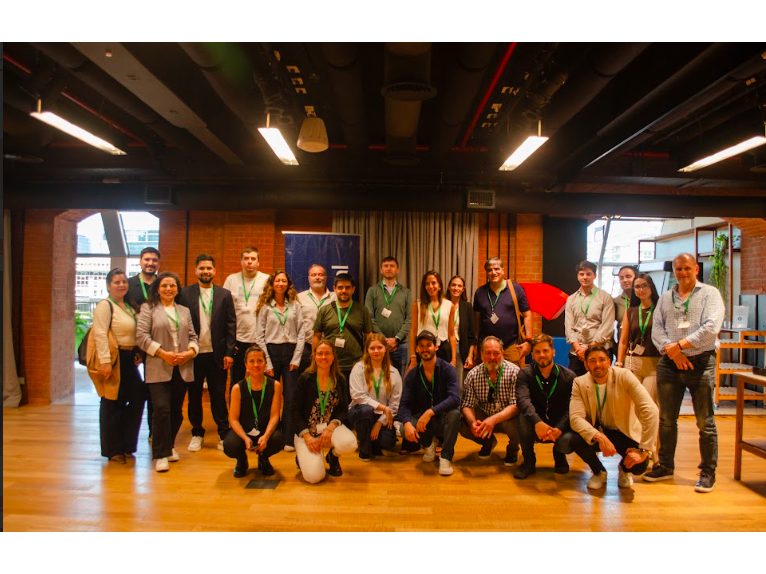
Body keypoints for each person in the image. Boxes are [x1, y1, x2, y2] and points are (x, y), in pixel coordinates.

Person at [645, 253, 725, 493]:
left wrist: (679, 346)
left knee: (705, 422)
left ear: (696, 269)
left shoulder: (710, 294)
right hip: (669, 364)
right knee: (666, 420)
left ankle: (707, 472)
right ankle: (665, 466)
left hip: (701, 363)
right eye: (678, 269)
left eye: (687, 268)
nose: (682, 273)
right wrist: (673, 352)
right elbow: (657, 329)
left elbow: (711, 327)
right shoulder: (666, 297)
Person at [565, 345, 658, 491]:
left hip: (623, 431)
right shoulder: (579, 382)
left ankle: (624, 470)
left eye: (602, 359)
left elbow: (651, 411)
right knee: (571, 439)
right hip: (598, 431)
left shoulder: (625, 376)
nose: (598, 364)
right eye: (592, 361)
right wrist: (599, 436)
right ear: (586, 364)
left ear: (609, 361)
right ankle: (599, 472)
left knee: (639, 466)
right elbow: (576, 418)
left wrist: (645, 451)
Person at [136, 272, 199, 473]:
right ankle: (160, 454)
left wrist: (190, 353)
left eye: (172, 285)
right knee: (161, 408)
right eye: (164, 285)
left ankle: (169, 446)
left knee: (175, 412)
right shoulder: (148, 309)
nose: (169, 289)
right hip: (159, 366)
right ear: (157, 288)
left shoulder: (184, 311)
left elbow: (193, 336)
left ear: (177, 289)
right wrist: (163, 354)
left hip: (182, 367)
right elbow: (141, 337)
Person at [179, 254, 236, 453]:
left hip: (217, 354)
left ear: (214, 271)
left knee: (218, 395)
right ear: (196, 270)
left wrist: (229, 352)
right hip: (193, 353)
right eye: (202, 268)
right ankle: (197, 433)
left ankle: (223, 433)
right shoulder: (185, 294)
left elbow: (231, 325)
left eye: (209, 268)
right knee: (194, 395)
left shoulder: (224, 294)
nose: (205, 271)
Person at [91, 268, 145, 464]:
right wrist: (105, 361)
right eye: (116, 282)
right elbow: (100, 334)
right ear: (108, 286)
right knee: (112, 403)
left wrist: (137, 352)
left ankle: (127, 445)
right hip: (114, 359)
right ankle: (113, 450)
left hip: (129, 358)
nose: (121, 285)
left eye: (124, 281)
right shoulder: (105, 306)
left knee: (138, 397)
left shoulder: (128, 306)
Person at [293, 340, 358, 484]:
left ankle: (332, 457)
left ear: (333, 356)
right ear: (314, 356)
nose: (323, 357)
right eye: (320, 353)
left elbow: (343, 409)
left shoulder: (340, 379)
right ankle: (302, 457)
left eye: (327, 353)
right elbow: (295, 411)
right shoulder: (305, 378)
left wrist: (331, 427)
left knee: (350, 443)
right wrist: (308, 437)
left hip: (329, 429)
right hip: (307, 433)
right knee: (314, 477)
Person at [513, 333, 578, 479]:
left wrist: (560, 428)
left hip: (559, 424)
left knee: (570, 430)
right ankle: (529, 462)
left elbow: (572, 408)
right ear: (532, 355)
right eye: (537, 352)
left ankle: (559, 455)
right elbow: (523, 400)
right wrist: (537, 422)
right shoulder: (524, 374)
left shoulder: (569, 377)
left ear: (553, 352)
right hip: (535, 421)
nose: (542, 355)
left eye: (545, 351)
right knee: (523, 417)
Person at [398, 331, 461, 476]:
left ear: (436, 347)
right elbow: (404, 404)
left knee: (455, 414)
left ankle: (445, 457)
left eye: (429, 345)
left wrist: (431, 411)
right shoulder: (412, 374)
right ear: (417, 349)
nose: (425, 349)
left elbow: (455, 398)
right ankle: (429, 444)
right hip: (423, 422)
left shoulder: (448, 369)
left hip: (442, 419)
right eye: (421, 346)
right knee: (403, 428)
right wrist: (407, 423)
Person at [255, 270, 305, 451]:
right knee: (270, 397)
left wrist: (296, 359)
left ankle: (288, 437)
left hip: (291, 353)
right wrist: (267, 363)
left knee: (290, 397)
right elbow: (259, 336)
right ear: (272, 284)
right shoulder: (265, 307)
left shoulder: (295, 305)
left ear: (288, 284)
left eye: (284, 281)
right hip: (271, 352)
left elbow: (301, 333)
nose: (281, 284)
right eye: (277, 281)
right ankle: (269, 436)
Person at [223, 346, 285, 478]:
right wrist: (245, 438)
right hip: (244, 432)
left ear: (265, 363)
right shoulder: (237, 388)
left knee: (279, 439)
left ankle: (263, 458)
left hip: (264, 431)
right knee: (230, 445)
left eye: (260, 361)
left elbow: (275, 416)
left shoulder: (275, 385)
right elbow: (233, 419)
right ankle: (241, 460)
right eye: (252, 361)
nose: (256, 365)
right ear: (246, 365)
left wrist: (266, 436)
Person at [459, 336, 521, 466]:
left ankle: (513, 449)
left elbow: (516, 405)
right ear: (481, 354)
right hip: (485, 415)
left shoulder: (514, 372)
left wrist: (492, 420)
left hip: (506, 417)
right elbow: (466, 404)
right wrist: (472, 423)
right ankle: (488, 442)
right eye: (488, 353)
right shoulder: (473, 374)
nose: (492, 357)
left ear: (502, 352)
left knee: (522, 421)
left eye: (496, 353)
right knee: (462, 422)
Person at [348, 333, 403, 461]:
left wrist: (379, 423)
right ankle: (365, 449)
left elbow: (394, 405)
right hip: (360, 411)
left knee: (388, 442)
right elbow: (357, 396)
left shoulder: (394, 373)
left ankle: (369, 439)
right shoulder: (358, 368)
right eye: (372, 348)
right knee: (366, 410)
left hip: (381, 416)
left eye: (379, 347)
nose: (376, 351)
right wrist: (383, 407)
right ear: (367, 350)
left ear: (385, 349)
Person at [313, 273, 373, 387]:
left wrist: (367, 359)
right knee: (331, 395)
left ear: (353, 289)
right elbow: (316, 336)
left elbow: (369, 336)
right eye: (340, 287)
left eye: (347, 287)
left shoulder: (362, 310)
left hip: (355, 365)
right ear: (334, 289)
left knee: (354, 396)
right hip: (330, 364)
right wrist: (315, 360)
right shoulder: (324, 310)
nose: (344, 291)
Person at [223, 246, 270, 388]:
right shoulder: (231, 279)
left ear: (258, 262)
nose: (249, 262)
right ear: (241, 261)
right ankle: (236, 403)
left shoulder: (266, 279)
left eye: (253, 259)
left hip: (260, 338)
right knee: (236, 380)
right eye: (246, 258)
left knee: (260, 379)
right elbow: (224, 308)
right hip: (238, 338)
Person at [125, 246, 160, 439]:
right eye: (147, 259)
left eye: (154, 260)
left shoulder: (163, 284)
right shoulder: (129, 284)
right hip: (134, 343)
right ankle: (127, 432)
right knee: (133, 390)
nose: (150, 263)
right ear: (140, 261)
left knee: (154, 390)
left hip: (157, 344)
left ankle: (153, 431)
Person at [472, 257, 532, 367]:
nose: (493, 272)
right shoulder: (479, 293)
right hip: (487, 348)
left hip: (511, 347)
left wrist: (528, 341)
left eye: (496, 269)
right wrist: (475, 345)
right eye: (490, 270)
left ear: (503, 270)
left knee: (514, 376)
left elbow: (527, 315)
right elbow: (476, 322)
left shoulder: (516, 289)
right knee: (486, 377)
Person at [564, 260, 616, 376]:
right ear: (578, 276)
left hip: (600, 351)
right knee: (575, 384)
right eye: (581, 274)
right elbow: (569, 327)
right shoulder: (571, 299)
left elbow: (607, 327)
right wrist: (578, 348)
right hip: (577, 353)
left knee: (601, 384)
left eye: (588, 274)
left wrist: (588, 348)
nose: (585, 277)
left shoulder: (605, 298)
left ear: (594, 276)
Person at [616, 273, 661, 405]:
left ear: (651, 287)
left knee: (647, 403)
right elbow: (623, 341)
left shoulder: (660, 310)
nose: (641, 289)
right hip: (633, 362)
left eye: (644, 286)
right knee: (631, 403)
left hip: (654, 363)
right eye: (637, 287)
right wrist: (619, 363)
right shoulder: (631, 312)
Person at [364, 256, 412, 376]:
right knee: (378, 377)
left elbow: (409, 319)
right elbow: (369, 317)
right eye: (386, 266)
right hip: (378, 345)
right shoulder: (372, 291)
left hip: (400, 345)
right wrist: (383, 340)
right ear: (381, 270)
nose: (389, 268)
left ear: (397, 270)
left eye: (392, 266)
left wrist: (396, 339)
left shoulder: (406, 292)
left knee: (399, 378)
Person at [407, 271, 456, 371]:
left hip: (443, 349)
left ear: (439, 286)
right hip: (423, 349)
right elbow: (413, 331)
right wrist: (413, 356)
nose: (430, 286)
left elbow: (451, 334)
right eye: (427, 284)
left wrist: (454, 359)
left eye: (433, 283)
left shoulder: (449, 305)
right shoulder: (417, 304)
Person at [296, 264, 335, 373]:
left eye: (320, 275)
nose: (317, 277)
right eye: (314, 275)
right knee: (307, 378)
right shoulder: (299, 298)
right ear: (309, 278)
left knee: (329, 377)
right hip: (306, 348)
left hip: (330, 346)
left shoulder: (335, 297)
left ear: (325, 278)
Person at [446, 275, 478, 384]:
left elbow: (472, 335)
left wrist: (470, 356)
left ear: (463, 289)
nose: (456, 288)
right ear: (449, 287)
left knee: (458, 384)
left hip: (461, 348)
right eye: (453, 285)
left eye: (459, 286)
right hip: (443, 348)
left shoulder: (467, 307)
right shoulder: (442, 304)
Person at [613, 265, 637, 343]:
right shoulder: (615, 301)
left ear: (636, 277)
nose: (625, 280)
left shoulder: (644, 299)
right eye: (621, 278)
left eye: (628, 276)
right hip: (622, 344)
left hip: (642, 344)